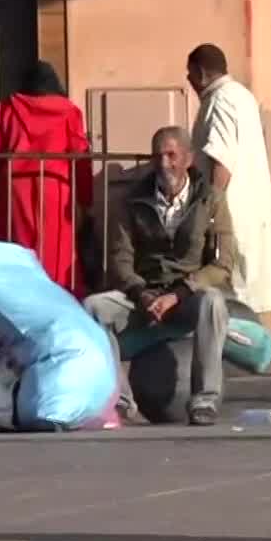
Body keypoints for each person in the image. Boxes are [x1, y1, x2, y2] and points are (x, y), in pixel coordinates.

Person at [87, 126, 235, 426]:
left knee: (214, 302)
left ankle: (205, 399)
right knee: (93, 308)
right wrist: (142, 293)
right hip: (145, 293)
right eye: (158, 156)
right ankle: (122, 401)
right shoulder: (132, 201)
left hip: (188, 294)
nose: (164, 164)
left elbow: (222, 263)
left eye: (172, 156)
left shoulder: (211, 200)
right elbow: (121, 260)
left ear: (188, 159)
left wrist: (179, 292)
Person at [188, 44, 271, 317]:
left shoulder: (220, 100)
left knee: (229, 290)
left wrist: (210, 208)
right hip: (249, 207)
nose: (189, 82)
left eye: (190, 75)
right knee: (243, 289)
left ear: (200, 72)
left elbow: (222, 160)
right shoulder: (242, 96)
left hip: (231, 212)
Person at [0, 61, 93, 295]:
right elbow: (81, 158)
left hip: (14, 191)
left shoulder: (7, 108)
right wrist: (85, 199)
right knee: (57, 257)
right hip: (56, 188)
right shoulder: (69, 112)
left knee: (16, 254)